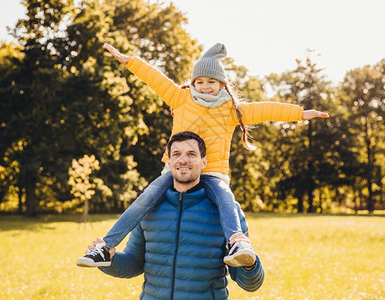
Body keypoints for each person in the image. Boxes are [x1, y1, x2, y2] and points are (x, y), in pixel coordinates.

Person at [77, 42, 329, 268]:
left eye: (211, 82)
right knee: (145, 199)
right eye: (200, 82)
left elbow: (267, 110)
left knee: (225, 200)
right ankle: (106, 247)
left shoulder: (232, 110)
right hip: (177, 169)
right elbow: (155, 78)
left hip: (214, 171)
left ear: (222, 85)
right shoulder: (180, 98)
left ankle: (238, 244)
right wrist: (129, 61)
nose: (205, 87)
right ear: (193, 83)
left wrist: (301, 113)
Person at [83, 131, 264, 299]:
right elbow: (134, 263)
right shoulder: (148, 208)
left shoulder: (227, 212)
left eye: (191, 154)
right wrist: (111, 260)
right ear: (169, 162)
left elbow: (249, 284)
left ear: (204, 162)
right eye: (176, 154)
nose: (183, 160)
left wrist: (250, 264)